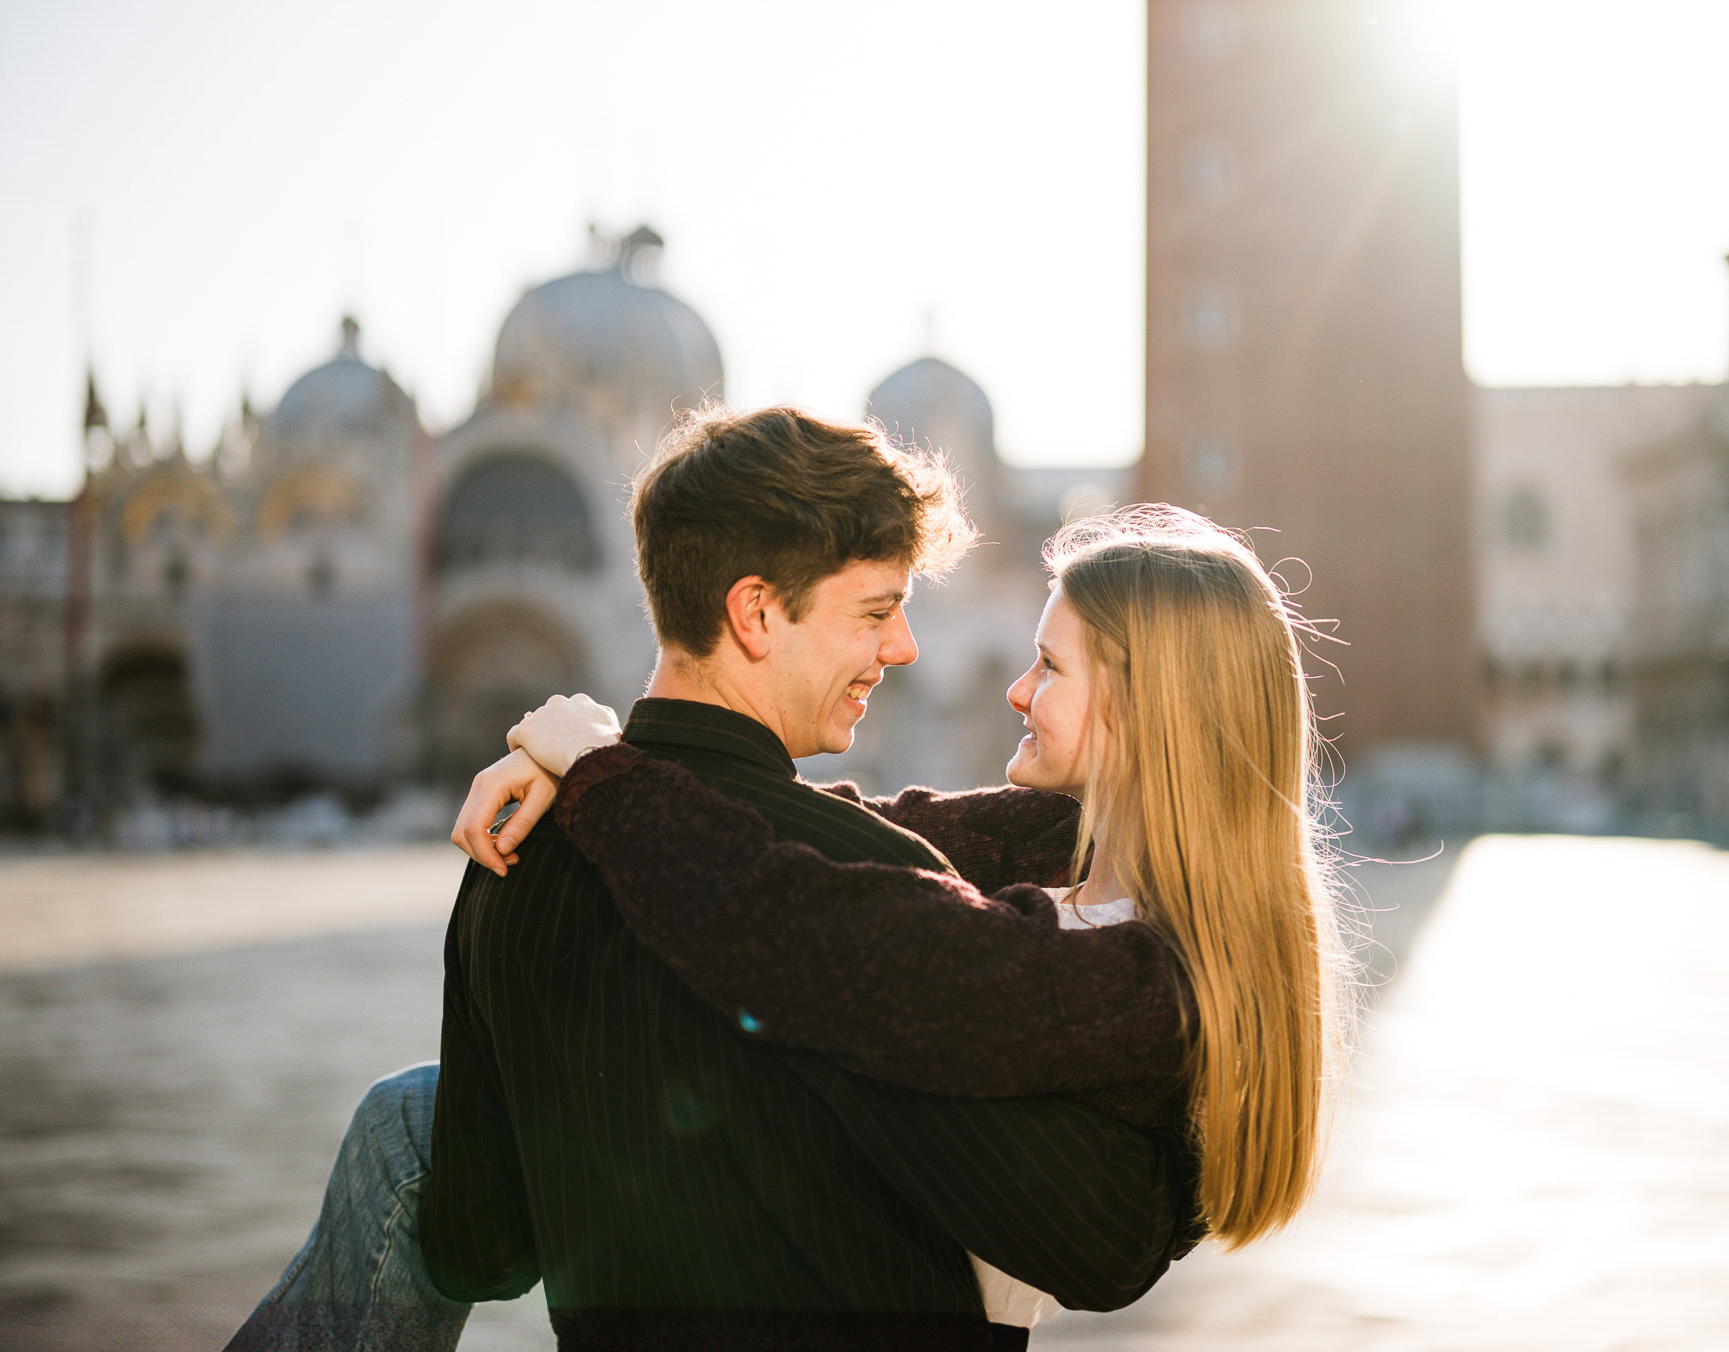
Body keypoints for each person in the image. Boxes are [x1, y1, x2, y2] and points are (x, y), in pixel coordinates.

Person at [225, 408, 1210, 1352]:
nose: (902, 646)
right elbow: (1101, 1231)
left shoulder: (506, 861)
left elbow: (484, 1242)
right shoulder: (882, 886)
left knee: (404, 1111)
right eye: (876, 610)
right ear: (753, 612)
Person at [477, 504, 1350, 1251]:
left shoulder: (1149, 989)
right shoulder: (1068, 852)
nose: (1015, 690)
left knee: (412, 1134)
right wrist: (585, 761)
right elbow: (820, 832)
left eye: (1050, 666)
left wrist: (598, 771)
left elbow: (804, 929)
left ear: (1146, 704)